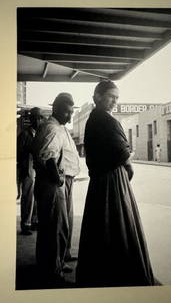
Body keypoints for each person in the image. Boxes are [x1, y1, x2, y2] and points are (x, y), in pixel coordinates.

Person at [75, 80, 155, 288]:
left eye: (117, 98)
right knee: (119, 225)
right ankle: (122, 276)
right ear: (97, 97)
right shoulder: (105, 120)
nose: (114, 102)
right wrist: (128, 167)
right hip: (113, 181)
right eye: (111, 96)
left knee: (102, 225)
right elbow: (123, 151)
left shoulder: (95, 119)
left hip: (102, 181)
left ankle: (101, 274)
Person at [32, 93, 80, 287]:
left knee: (60, 225)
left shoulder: (58, 127)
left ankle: (57, 262)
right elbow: (48, 157)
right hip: (53, 183)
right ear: (56, 109)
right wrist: (59, 179)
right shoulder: (52, 128)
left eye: (71, 112)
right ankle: (51, 272)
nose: (70, 117)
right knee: (54, 227)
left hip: (60, 181)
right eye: (66, 112)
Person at [17, 107, 43, 235]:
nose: (37, 121)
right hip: (27, 169)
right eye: (35, 118)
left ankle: (34, 221)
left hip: (36, 169)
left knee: (36, 197)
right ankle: (25, 224)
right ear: (31, 119)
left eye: (39, 118)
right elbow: (19, 153)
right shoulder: (25, 134)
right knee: (27, 198)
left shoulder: (39, 134)